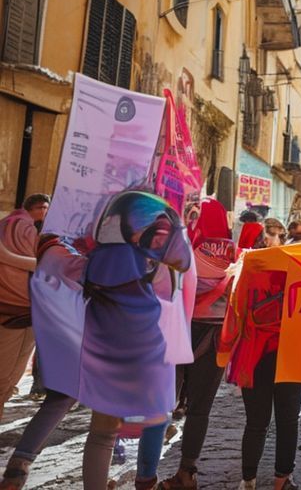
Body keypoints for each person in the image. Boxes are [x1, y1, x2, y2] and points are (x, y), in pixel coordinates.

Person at [25, 191, 193, 489]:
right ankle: (146, 480)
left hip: (103, 355)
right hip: (148, 356)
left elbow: (56, 264)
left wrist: (58, 240)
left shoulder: (93, 261)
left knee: (102, 435)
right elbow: (181, 283)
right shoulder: (160, 264)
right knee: (157, 419)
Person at [217, 220, 301, 490]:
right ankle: (251, 479)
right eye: (269, 235)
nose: (273, 239)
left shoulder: (249, 266)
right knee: (263, 421)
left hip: (271, 352)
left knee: (282, 419)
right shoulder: (254, 266)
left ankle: (277, 479)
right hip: (267, 352)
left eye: (277, 235)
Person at [159, 198, 235, 490]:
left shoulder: (183, 249)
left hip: (180, 331)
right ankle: (187, 471)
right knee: (200, 409)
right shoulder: (233, 255)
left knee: (163, 403)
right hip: (216, 339)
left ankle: (147, 471)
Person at [0, 193, 49, 419]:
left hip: (14, 307)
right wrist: (9, 257)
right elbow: (44, 265)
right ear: (38, 208)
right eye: (46, 209)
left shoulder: (7, 223)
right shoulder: (24, 228)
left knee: (8, 375)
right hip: (18, 309)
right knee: (6, 376)